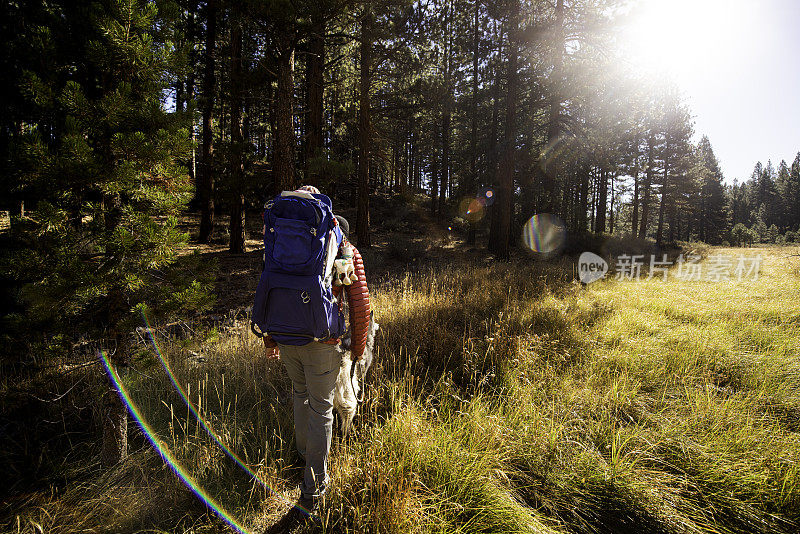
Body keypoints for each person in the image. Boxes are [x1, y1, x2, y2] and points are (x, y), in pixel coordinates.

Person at [261, 185, 371, 511]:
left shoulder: (280, 243)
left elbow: (269, 288)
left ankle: (302, 461)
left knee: (300, 397)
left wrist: (271, 337)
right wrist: (359, 348)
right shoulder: (344, 251)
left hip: (286, 337)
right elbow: (360, 303)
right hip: (324, 342)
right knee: (322, 408)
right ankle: (314, 491)